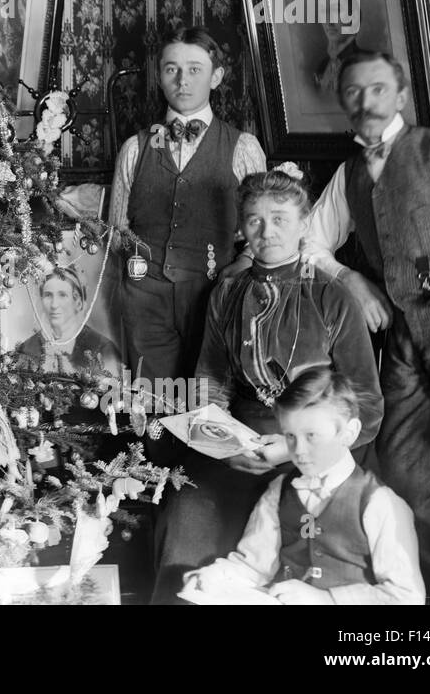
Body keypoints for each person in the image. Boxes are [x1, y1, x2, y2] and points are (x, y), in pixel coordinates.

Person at [302, 48, 430, 603]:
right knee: (400, 465)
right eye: (353, 92)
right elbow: (309, 242)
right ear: (342, 101)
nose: (366, 102)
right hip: (407, 338)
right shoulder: (349, 174)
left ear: (400, 94)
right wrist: (350, 278)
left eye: (377, 89)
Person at [153, 166, 380, 603]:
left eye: (280, 218)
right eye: (254, 219)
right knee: (185, 516)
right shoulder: (227, 293)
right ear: (241, 227)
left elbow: (366, 405)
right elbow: (210, 386)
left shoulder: (333, 298)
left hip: (317, 449)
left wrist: (297, 447)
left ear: (304, 224)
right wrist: (222, 444)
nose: (267, 230)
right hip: (239, 447)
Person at [180, 367, 423, 605]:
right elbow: (253, 566)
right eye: (290, 436)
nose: (299, 450)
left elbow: (406, 596)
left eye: (312, 436)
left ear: (349, 433)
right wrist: (211, 579)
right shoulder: (279, 491)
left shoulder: (380, 502)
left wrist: (327, 599)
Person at [109, 26, 266, 385]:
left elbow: (262, 234)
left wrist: (238, 267)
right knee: (153, 412)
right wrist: (141, 281)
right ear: (160, 77)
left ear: (216, 77)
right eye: (171, 69)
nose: (183, 80)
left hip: (214, 298)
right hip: (146, 303)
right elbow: (117, 232)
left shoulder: (243, 147)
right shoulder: (135, 148)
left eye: (195, 69)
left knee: (210, 412)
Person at [14, 266, 120, 375]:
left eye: (62, 295)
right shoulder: (27, 349)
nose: (54, 305)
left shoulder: (102, 349)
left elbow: (113, 389)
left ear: (78, 303)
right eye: (48, 295)